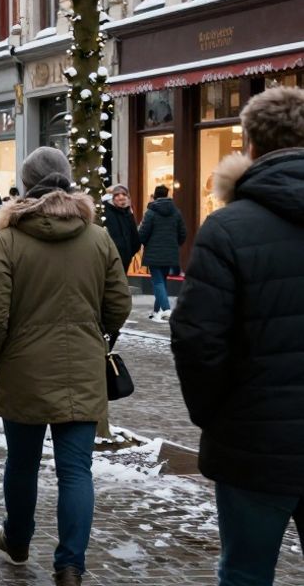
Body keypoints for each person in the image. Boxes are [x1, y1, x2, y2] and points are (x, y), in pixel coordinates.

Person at [0, 147, 132, 586]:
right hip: (82, 368)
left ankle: (18, 540)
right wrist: (99, 335)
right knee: (76, 470)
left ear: (26, 186)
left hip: (23, 368)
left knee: (22, 464)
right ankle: (70, 566)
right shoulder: (97, 237)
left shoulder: (8, 240)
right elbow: (119, 302)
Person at [170, 87, 304, 586]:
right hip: (252, 437)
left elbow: (196, 338)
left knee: (246, 573)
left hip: (253, 443)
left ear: (249, 144)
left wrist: (216, 416)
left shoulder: (227, 228)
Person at [138, 184, 186, 322]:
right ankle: (156, 311)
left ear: (155, 196)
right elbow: (183, 233)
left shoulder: (151, 212)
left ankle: (166, 309)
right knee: (161, 282)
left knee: (158, 281)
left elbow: (143, 233)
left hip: (154, 253)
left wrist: (145, 243)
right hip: (170, 252)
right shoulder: (176, 212)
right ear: (167, 195)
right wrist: (174, 245)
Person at [102, 183, 141, 275]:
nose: (121, 197)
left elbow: (134, 236)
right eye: (117, 195)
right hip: (110, 259)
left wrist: (130, 252)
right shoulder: (106, 212)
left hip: (125, 258)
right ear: (111, 198)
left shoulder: (128, 212)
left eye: (124, 194)